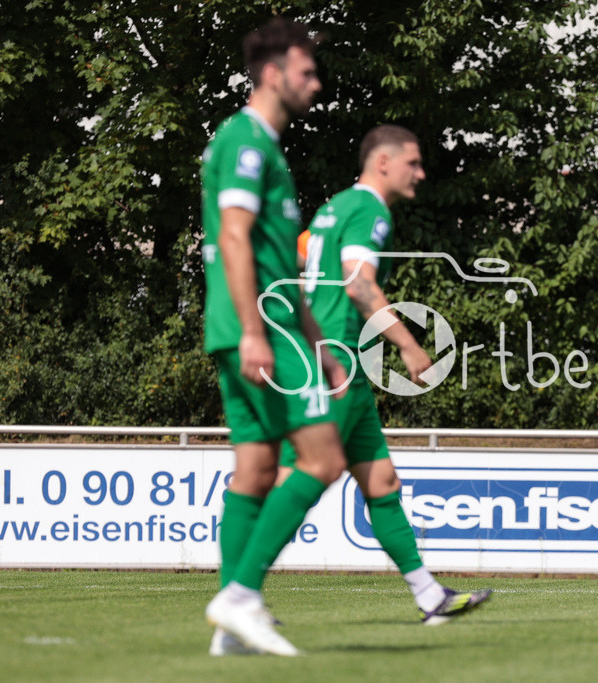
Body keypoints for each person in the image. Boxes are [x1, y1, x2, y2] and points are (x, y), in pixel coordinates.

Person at [282, 124, 492, 623]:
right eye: (413, 163)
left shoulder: (333, 208)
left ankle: (429, 596)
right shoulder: (369, 209)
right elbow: (358, 283)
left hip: (326, 356)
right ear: (382, 163)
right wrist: (410, 346)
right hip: (331, 362)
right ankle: (239, 590)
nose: (420, 173)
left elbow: (298, 259)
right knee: (305, 475)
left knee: (381, 480)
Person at [200, 18, 350, 656]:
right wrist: (259, 331)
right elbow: (233, 237)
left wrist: (318, 340)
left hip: (268, 329)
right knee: (323, 459)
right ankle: (239, 596)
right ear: (272, 73)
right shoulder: (246, 141)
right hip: (260, 331)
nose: (315, 84)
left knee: (257, 471)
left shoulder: (260, 145)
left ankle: (230, 630)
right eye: (306, 71)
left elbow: (281, 268)